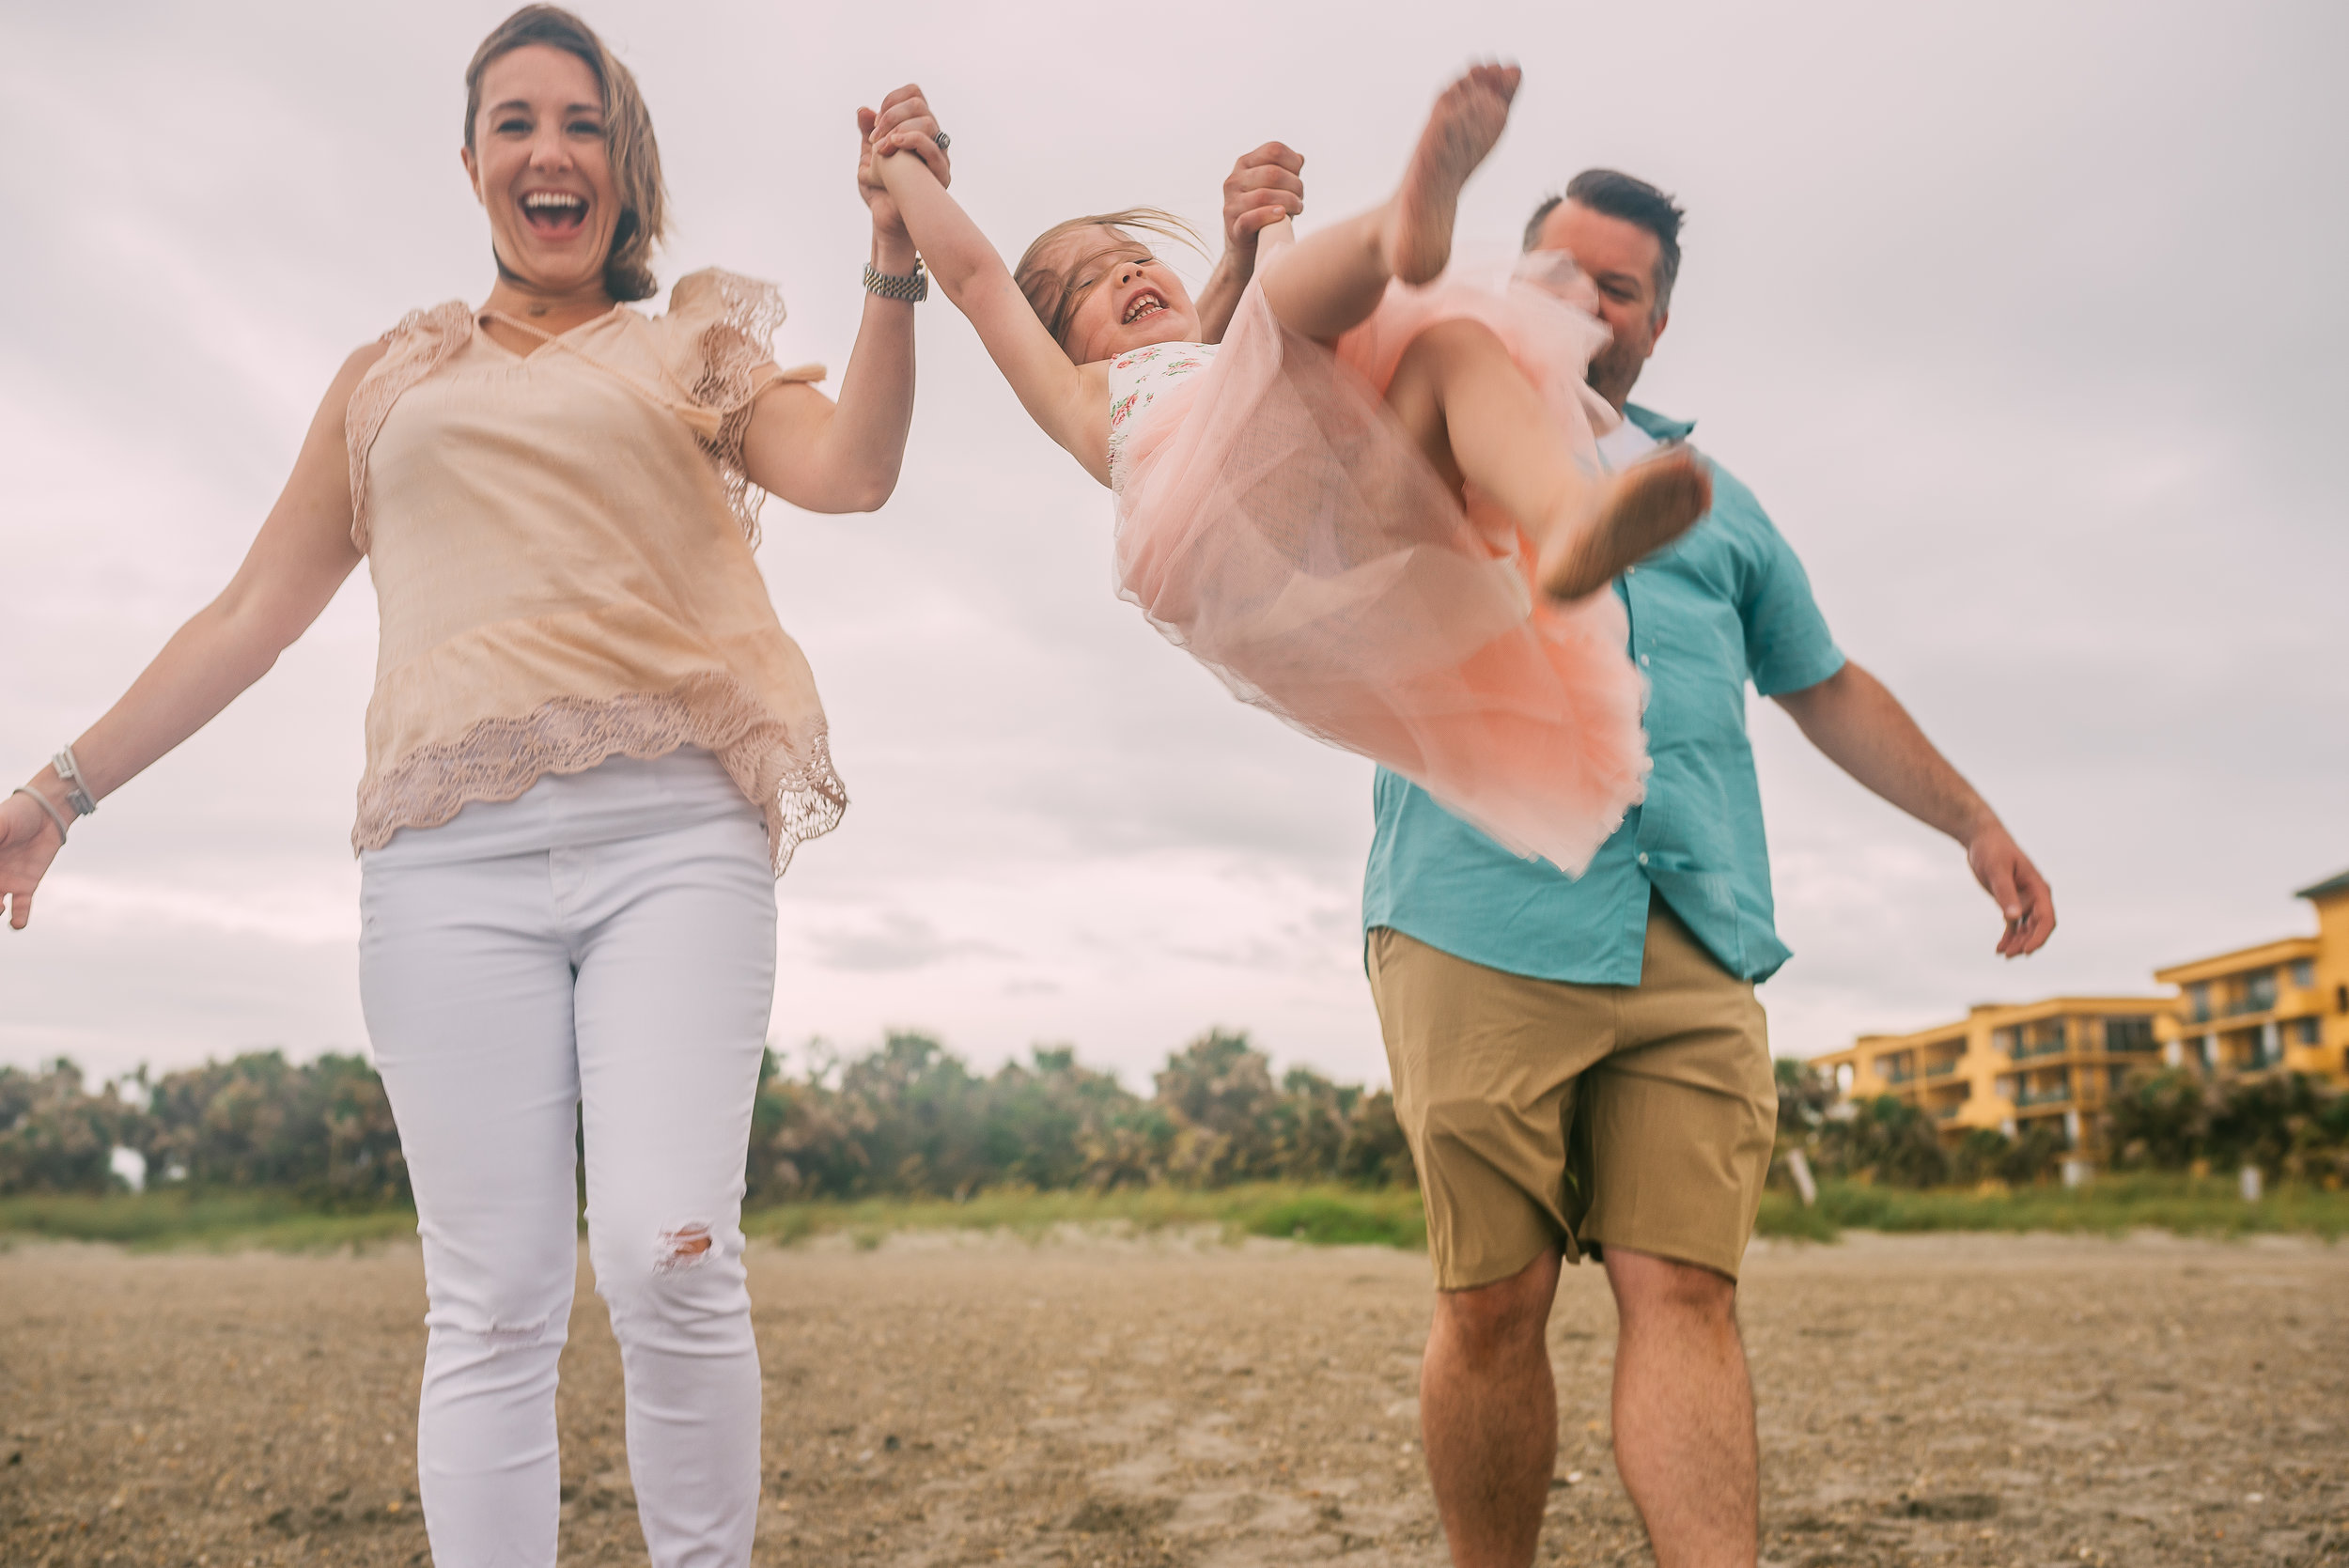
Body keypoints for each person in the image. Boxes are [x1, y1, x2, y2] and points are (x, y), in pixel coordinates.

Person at [0, 8, 950, 1564]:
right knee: (494, 1299)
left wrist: (895, 263)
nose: (547, 151)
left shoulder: (688, 344)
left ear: (621, 166)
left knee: (667, 1254)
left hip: (671, 845)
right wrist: (57, 791)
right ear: (472, 163)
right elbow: (251, 616)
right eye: (514, 124)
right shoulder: (393, 379)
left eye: (579, 124)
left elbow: (854, 466)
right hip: (446, 872)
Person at [1367, 168, 2060, 1568]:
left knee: (1685, 1286)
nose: (1582, 301)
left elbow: (1825, 680)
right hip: (1478, 913)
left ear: (1655, 323)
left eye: (1615, 286)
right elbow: (1271, 431)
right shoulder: (1428, 424)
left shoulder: (1715, 498)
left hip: (1695, 929)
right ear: (1510, 282)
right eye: (1555, 272)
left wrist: (1974, 820)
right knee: (1493, 1303)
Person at [863, 67, 1716, 875]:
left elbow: (1249, 328)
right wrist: (907, 174)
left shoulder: (1223, 353)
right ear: (1060, 343)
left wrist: (1264, 224)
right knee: (1282, 316)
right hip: (1222, 537)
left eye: (1131, 254)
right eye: (1082, 284)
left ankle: (1569, 516)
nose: (1123, 268)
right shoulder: (1083, 393)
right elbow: (977, 280)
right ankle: (1392, 230)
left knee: (1451, 347)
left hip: (1358, 523)